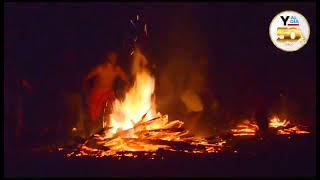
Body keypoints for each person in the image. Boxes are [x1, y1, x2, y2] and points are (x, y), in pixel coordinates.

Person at [83, 51, 128, 136]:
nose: (114, 59)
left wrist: (127, 87)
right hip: (97, 93)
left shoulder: (116, 69)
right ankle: (91, 134)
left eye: (115, 57)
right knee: (94, 117)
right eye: (112, 57)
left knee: (113, 110)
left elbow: (125, 78)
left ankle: (109, 130)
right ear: (108, 58)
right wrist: (86, 90)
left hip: (109, 93)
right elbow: (87, 77)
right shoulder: (100, 68)